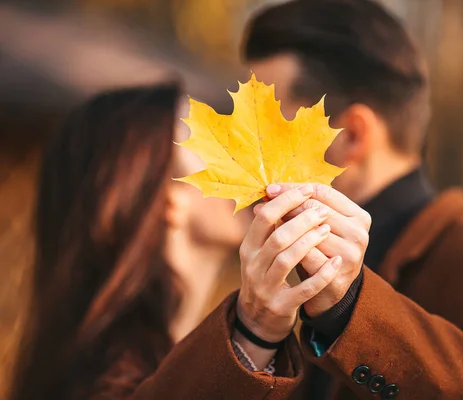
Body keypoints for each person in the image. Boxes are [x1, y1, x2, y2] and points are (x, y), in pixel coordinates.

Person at [242, 0, 463, 399]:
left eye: (266, 126)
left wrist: (350, 313)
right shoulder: (268, 280)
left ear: (351, 136)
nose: (251, 150)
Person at [8, 84, 353, 400]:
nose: (246, 157)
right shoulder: (107, 382)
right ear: (165, 199)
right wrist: (256, 337)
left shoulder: (168, 353)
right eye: (211, 147)